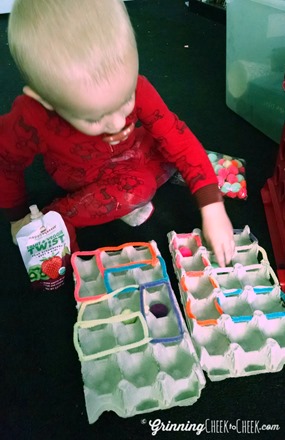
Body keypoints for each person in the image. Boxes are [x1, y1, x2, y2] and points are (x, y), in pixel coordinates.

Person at [0, 0, 234, 266]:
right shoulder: (32, 117)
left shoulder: (135, 85)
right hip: (82, 172)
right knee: (140, 187)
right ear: (44, 101)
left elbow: (177, 136)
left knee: (169, 147)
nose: (118, 122)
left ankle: (121, 196)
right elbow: (5, 162)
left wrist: (212, 205)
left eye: (125, 100)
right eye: (95, 118)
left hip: (130, 152)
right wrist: (18, 216)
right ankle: (58, 214)